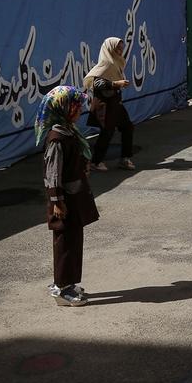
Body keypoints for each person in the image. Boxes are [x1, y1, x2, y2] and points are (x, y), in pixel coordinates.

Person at [37, 86, 100, 307]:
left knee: (73, 240)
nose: (80, 110)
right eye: (75, 106)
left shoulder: (69, 131)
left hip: (74, 196)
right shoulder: (57, 138)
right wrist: (57, 202)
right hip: (65, 200)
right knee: (64, 243)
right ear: (64, 109)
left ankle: (67, 282)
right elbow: (52, 174)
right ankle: (62, 289)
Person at [84, 37, 135, 171]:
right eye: (117, 48)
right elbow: (96, 83)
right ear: (109, 48)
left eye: (121, 48)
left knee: (127, 127)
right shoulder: (106, 63)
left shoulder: (115, 63)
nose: (119, 51)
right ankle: (96, 162)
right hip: (104, 105)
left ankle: (125, 159)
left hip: (115, 103)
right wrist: (115, 84)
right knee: (107, 131)